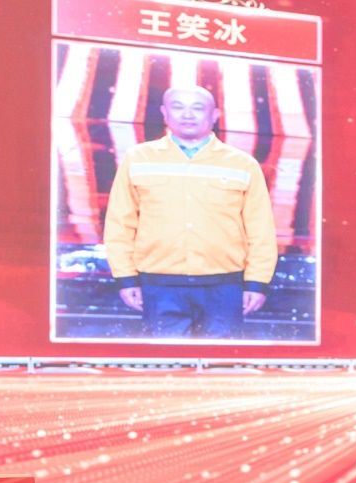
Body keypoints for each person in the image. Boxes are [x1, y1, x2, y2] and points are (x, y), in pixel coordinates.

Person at [103, 85, 278, 339]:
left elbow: (260, 229)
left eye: (197, 108)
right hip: (158, 286)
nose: (187, 115)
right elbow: (120, 223)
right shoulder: (138, 158)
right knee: (167, 359)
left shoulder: (243, 164)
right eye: (178, 107)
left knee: (220, 359)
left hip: (225, 287)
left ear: (214, 115)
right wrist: (126, 278)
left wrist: (257, 282)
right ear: (164, 113)